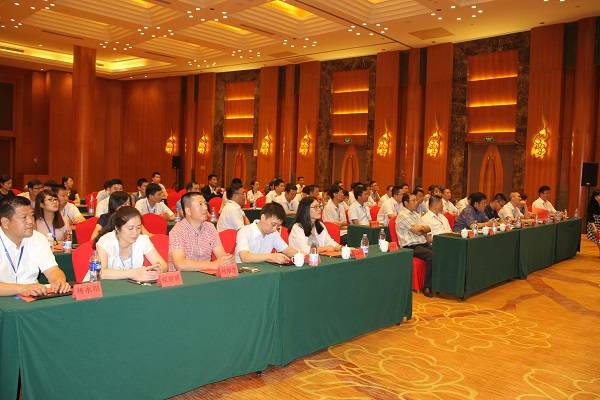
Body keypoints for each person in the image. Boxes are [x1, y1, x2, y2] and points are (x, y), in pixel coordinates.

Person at [0, 197, 70, 297]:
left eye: (32, 215)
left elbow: (52, 270)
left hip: (33, 297)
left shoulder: (38, 238)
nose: (31, 221)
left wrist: (58, 281)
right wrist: (24, 288)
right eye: (24, 217)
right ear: (5, 222)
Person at [95, 206, 166, 281]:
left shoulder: (142, 240)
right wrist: (132, 273)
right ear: (117, 228)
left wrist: (158, 270)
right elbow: (101, 273)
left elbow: (163, 265)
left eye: (138, 228)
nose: (135, 232)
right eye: (130, 228)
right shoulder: (106, 241)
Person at [169, 192, 235, 271]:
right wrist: (213, 264)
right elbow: (180, 264)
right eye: (200, 204)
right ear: (188, 211)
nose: (205, 208)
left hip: (206, 274)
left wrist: (227, 260)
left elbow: (221, 255)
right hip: (183, 277)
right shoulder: (178, 231)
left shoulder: (209, 227)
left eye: (205, 204)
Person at [395, 193, 433, 297]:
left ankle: (438, 282)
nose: (416, 202)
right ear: (406, 203)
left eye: (416, 200)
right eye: (413, 200)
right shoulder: (403, 215)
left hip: (422, 243)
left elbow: (428, 228)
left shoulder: (415, 214)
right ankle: (427, 287)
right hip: (410, 246)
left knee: (441, 251)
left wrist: (422, 228)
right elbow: (417, 231)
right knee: (432, 256)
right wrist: (422, 229)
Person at [586, 190, 600, 257]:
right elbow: (590, 217)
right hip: (594, 223)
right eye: (597, 196)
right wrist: (594, 228)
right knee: (598, 239)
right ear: (594, 197)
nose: (599, 197)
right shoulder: (591, 204)